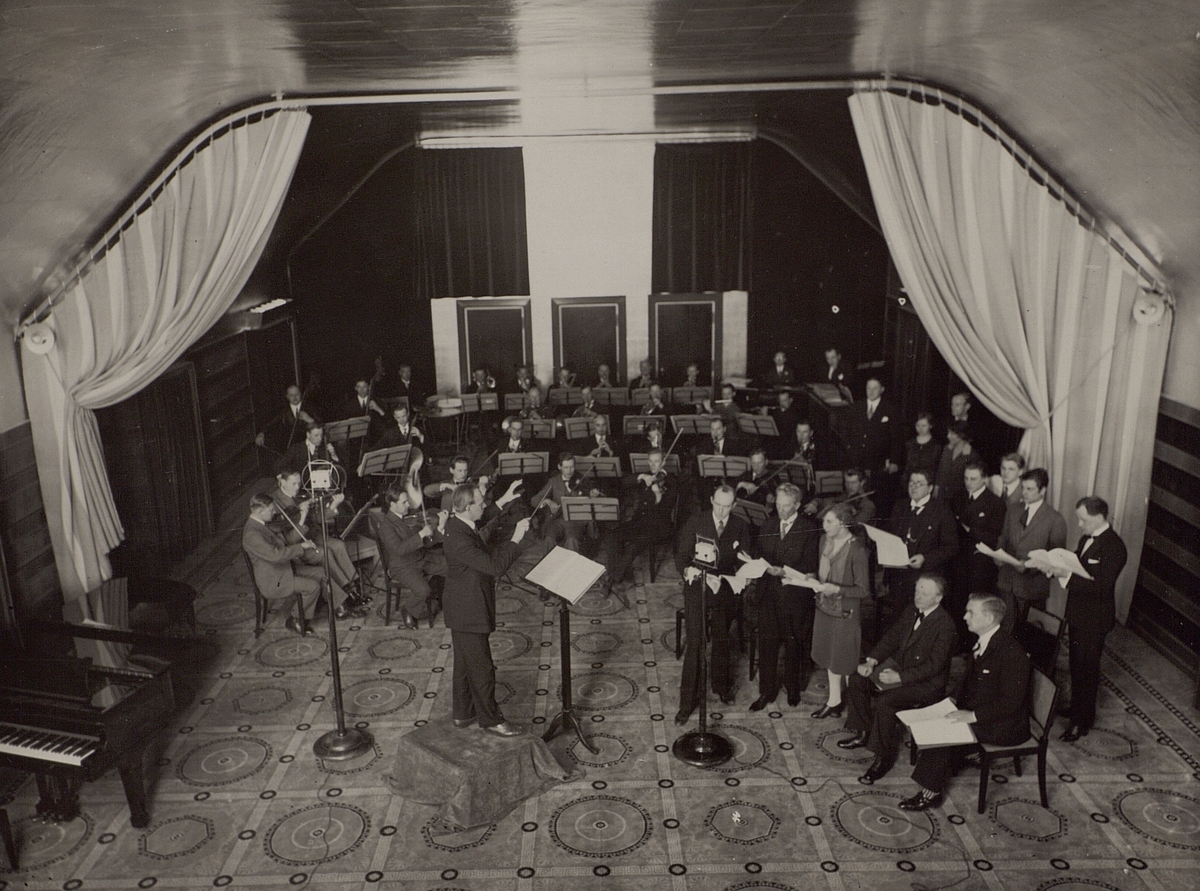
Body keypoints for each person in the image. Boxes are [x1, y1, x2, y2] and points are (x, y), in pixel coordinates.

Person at [898, 593, 1030, 811]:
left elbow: (1011, 702)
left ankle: (930, 793)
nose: (965, 616)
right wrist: (953, 700)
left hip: (1005, 724)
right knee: (939, 718)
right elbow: (970, 679)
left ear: (988, 619)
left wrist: (972, 716)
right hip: (983, 709)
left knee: (944, 734)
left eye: (971, 612)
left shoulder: (1010, 653)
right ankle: (959, 758)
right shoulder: (985, 640)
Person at [838, 573, 957, 784]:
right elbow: (892, 637)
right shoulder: (912, 610)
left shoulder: (945, 625)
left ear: (938, 598)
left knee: (886, 701)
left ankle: (882, 758)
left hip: (926, 683)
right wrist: (872, 660)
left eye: (925, 592)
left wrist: (900, 677)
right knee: (857, 678)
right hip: (900, 668)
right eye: (918, 589)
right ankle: (863, 731)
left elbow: (934, 666)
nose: (918, 595)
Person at [443, 484, 532, 736]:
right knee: (482, 668)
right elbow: (495, 567)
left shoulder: (457, 524)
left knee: (463, 664)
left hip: (461, 608)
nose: (484, 504)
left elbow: (481, 520)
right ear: (467, 506)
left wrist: (503, 500)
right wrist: (516, 538)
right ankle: (491, 720)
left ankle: (462, 714)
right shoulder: (460, 540)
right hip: (468, 612)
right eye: (480, 502)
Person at [675, 485, 752, 722]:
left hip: (724, 590)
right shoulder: (696, 521)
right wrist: (690, 570)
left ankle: (720, 687)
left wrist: (746, 572)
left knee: (721, 639)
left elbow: (745, 560)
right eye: (717, 504)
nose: (720, 510)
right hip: (697, 588)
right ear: (711, 499)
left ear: (734, 505)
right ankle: (687, 703)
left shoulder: (740, 526)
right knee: (696, 641)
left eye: (726, 506)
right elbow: (681, 558)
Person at [1056, 496, 1128, 741]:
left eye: (1083, 519)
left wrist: (1065, 576)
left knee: (1087, 668)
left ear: (1098, 518)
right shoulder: (1087, 538)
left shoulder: (1115, 547)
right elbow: (1079, 564)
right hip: (1078, 614)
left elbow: (1101, 587)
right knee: (1076, 665)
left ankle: (1081, 722)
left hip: (1095, 619)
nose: (1079, 524)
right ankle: (1078, 708)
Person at [750, 483, 821, 711]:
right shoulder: (768, 523)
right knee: (767, 644)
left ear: (798, 505)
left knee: (794, 644)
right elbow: (759, 552)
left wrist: (785, 570)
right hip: (768, 593)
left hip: (794, 597)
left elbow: (811, 564)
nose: (780, 510)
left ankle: (792, 688)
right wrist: (760, 566)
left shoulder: (809, 529)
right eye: (778, 505)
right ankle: (767, 691)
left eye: (786, 506)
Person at [268, 468, 365, 616]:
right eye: (293, 484)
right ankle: (343, 598)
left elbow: (316, 518)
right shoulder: (275, 504)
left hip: (312, 535)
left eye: (299, 483)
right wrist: (302, 516)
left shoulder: (300, 495)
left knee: (338, 545)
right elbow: (288, 539)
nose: (297, 487)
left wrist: (333, 506)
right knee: (326, 553)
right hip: (297, 545)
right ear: (282, 482)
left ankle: (351, 588)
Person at [808, 502, 871, 718]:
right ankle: (834, 700)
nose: (824, 525)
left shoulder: (857, 550)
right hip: (824, 608)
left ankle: (855, 710)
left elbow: (863, 590)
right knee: (829, 657)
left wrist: (837, 589)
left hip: (845, 613)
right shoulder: (824, 540)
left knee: (844, 659)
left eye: (829, 521)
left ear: (843, 523)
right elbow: (822, 570)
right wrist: (812, 578)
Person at [243, 493, 337, 635]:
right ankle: (295, 619)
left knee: (322, 573)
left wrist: (301, 524)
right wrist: (301, 548)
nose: (274, 512)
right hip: (274, 580)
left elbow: (286, 542)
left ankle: (337, 606)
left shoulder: (263, 524)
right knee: (312, 587)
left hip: (285, 570)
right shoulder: (252, 534)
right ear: (260, 512)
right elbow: (276, 555)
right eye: (271, 510)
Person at [882, 469, 958, 629]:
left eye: (919, 483)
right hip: (899, 577)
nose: (914, 487)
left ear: (930, 488)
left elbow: (950, 547)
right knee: (899, 619)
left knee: (921, 623)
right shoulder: (900, 506)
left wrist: (925, 558)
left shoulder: (941, 511)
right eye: (911, 483)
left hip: (926, 577)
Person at [991, 468, 1067, 626]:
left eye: (1029, 489)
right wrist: (997, 556)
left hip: (1031, 588)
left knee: (1027, 633)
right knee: (1005, 628)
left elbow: (1056, 560)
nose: (1024, 493)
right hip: (1007, 582)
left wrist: (1028, 567)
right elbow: (1003, 537)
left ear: (1043, 490)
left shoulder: (1055, 520)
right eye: (1023, 488)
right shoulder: (1013, 510)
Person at [603, 447, 678, 606]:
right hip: (639, 522)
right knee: (613, 535)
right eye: (650, 462)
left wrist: (658, 495)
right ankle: (616, 574)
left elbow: (667, 509)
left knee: (633, 546)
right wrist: (641, 476)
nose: (653, 465)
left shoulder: (671, 481)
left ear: (663, 462)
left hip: (658, 525)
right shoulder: (647, 476)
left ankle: (612, 579)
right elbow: (623, 483)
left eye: (656, 461)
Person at [376, 483, 448, 628]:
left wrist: (439, 527)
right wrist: (421, 534)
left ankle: (447, 602)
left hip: (422, 558)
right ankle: (408, 610)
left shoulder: (410, 517)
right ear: (392, 504)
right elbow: (399, 549)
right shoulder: (386, 525)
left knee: (453, 566)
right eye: (404, 502)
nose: (408, 505)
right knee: (423, 590)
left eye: (408, 500)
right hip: (403, 566)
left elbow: (426, 543)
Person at [844, 377, 901, 516]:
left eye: (875, 388)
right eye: (869, 388)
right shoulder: (857, 406)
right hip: (858, 460)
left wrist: (894, 460)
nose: (871, 391)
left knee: (876, 495)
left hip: (879, 462)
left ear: (882, 389)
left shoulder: (890, 409)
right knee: (856, 493)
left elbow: (896, 438)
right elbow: (848, 431)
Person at [954, 460, 1006, 601]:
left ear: (984, 479)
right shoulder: (958, 497)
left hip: (979, 565)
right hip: (957, 561)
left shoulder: (995, 503)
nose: (968, 483)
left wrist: (969, 529)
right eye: (966, 478)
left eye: (973, 479)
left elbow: (994, 536)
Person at [532, 453, 600, 552]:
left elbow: (591, 500)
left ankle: (570, 566)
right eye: (566, 467)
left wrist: (592, 495)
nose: (569, 471)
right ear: (560, 467)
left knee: (572, 540)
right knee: (549, 538)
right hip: (556, 520)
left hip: (576, 521)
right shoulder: (554, 481)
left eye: (572, 467)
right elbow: (534, 500)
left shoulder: (582, 480)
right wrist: (548, 501)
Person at [257, 383, 317, 456]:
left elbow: (321, 424)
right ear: (287, 397)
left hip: (309, 448)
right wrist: (261, 433)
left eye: (297, 394)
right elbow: (270, 424)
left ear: (301, 394)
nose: (295, 397)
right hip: (290, 450)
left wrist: (309, 419)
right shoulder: (283, 411)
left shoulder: (310, 408)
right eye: (291, 395)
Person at [933, 421, 974, 504]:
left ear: (960, 436)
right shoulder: (947, 449)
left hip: (958, 499)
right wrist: (936, 487)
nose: (948, 436)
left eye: (951, 434)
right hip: (942, 495)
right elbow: (941, 470)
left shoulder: (971, 455)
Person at [902, 412, 941, 484]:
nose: (920, 428)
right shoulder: (909, 443)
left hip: (928, 482)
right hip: (910, 481)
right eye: (918, 425)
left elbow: (938, 468)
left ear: (930, 426)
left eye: (924, 426)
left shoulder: (936, 445)